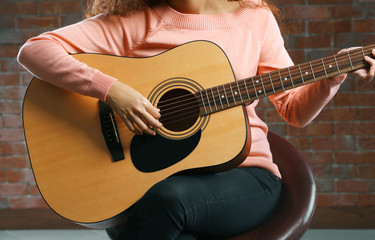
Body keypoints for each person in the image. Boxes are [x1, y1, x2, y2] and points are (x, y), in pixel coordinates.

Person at [18, 0, 374, 239]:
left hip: (246, 177)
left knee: (163, 204)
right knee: (159, 212)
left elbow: (295, 111)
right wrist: (111, 90)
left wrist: (332, 75)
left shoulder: (256, 18)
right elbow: (35, 50)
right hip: (156, 175)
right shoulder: (141, 19)